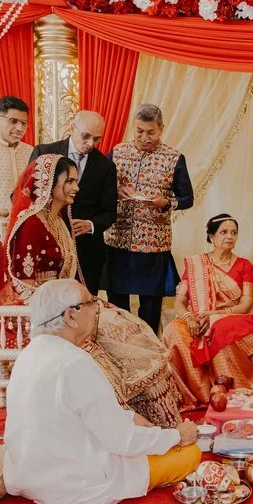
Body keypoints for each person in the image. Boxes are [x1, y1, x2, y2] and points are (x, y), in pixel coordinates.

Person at [0, 153, 182, 429]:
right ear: (49, 183)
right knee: (121, 339)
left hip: (68, 306)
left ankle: (150, 419)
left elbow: (70, 275)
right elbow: (25, 285)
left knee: (134, 328)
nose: (76, 187)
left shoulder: (57, 219)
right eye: (70, 181)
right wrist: (72, 311)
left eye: (76, 180)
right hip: (48, 313)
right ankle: (126, 420)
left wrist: (88, 303)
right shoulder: (32, 224)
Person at [4, 278, 200, 504]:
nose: (98, 309)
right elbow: (123, 441)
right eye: (91, 303)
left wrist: (130, 418)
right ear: (71, 316)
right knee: (191, 454)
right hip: (77, 485)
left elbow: (72, 414)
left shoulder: (27, 356)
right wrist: (176, 436)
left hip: (27, 477)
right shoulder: (75, 363)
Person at [163, 214, 253, 409]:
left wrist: (215, 315)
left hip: (236, 315)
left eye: (234, 232)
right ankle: (199, 392)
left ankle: (230, 390)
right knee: (174, 330)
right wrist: (189, 318)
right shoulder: (197, 265)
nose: (230, 236)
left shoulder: (244, 265)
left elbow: (246, 303)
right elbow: (180, 301)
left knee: (219, 328)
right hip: (199, 316)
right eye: (224, 232)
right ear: (212, 237)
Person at [106, 104, 194, 334]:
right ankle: (121, 345)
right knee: (117, 304)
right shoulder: (117, 152)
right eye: (139, 131)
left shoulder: (174, 158)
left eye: (150, 132)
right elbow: (101, 187)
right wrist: (116, 192)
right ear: (133, 127)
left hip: (153, 244)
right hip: (118, 239)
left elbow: (187, 198)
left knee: (151, 305)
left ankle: (150, 346)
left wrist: (166, 202)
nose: (144, 137)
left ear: (161, 129)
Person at [27, 110, 117, 295]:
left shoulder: (106, 166)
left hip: (87, 253)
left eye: (97, 139)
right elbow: (25, 194)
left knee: (84, 305)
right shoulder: (44, 152)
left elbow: (109, 211)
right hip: (46, 246)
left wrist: (91, 225)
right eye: (86, 136)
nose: (90, 143)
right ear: (72, 128)